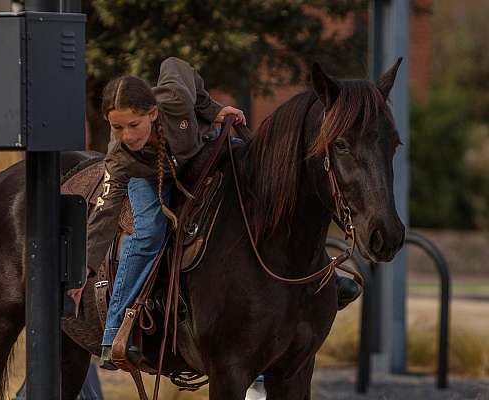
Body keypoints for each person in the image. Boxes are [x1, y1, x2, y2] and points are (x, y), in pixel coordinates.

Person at [88, 57, 361, 370]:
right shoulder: (120, 158)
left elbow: (176, 64)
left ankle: (322, 277)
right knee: (149, 230)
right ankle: (115, 333)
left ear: (152, 112)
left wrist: (212, 109)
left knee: (260, 182)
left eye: (133, 125)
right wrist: (82, 270)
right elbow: (104, 212)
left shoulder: (173, 97)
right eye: (116, 127)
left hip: (196, 153)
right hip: (149, 175)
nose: (127, 135)